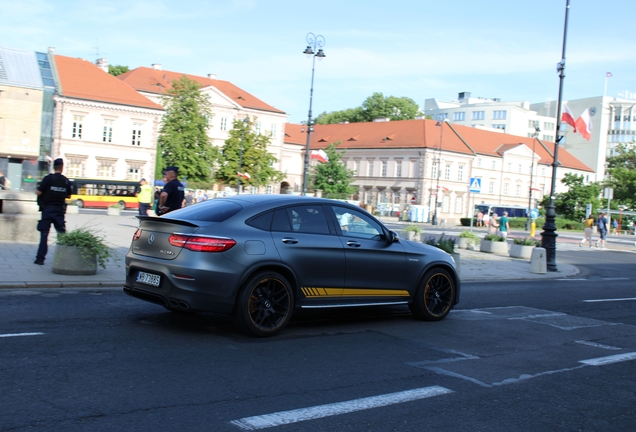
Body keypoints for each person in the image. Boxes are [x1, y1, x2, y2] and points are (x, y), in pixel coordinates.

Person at [34, 158, 72, 265]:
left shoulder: (48, 179)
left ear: (54, 167)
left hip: (47, 209)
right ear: (62, 167)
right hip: (59, 210)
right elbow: (68, 195)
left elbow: (38, 192)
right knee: (62, 235)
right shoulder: (65, 181)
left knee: (44, 235)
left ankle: (40, 259)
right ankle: (64, 259)